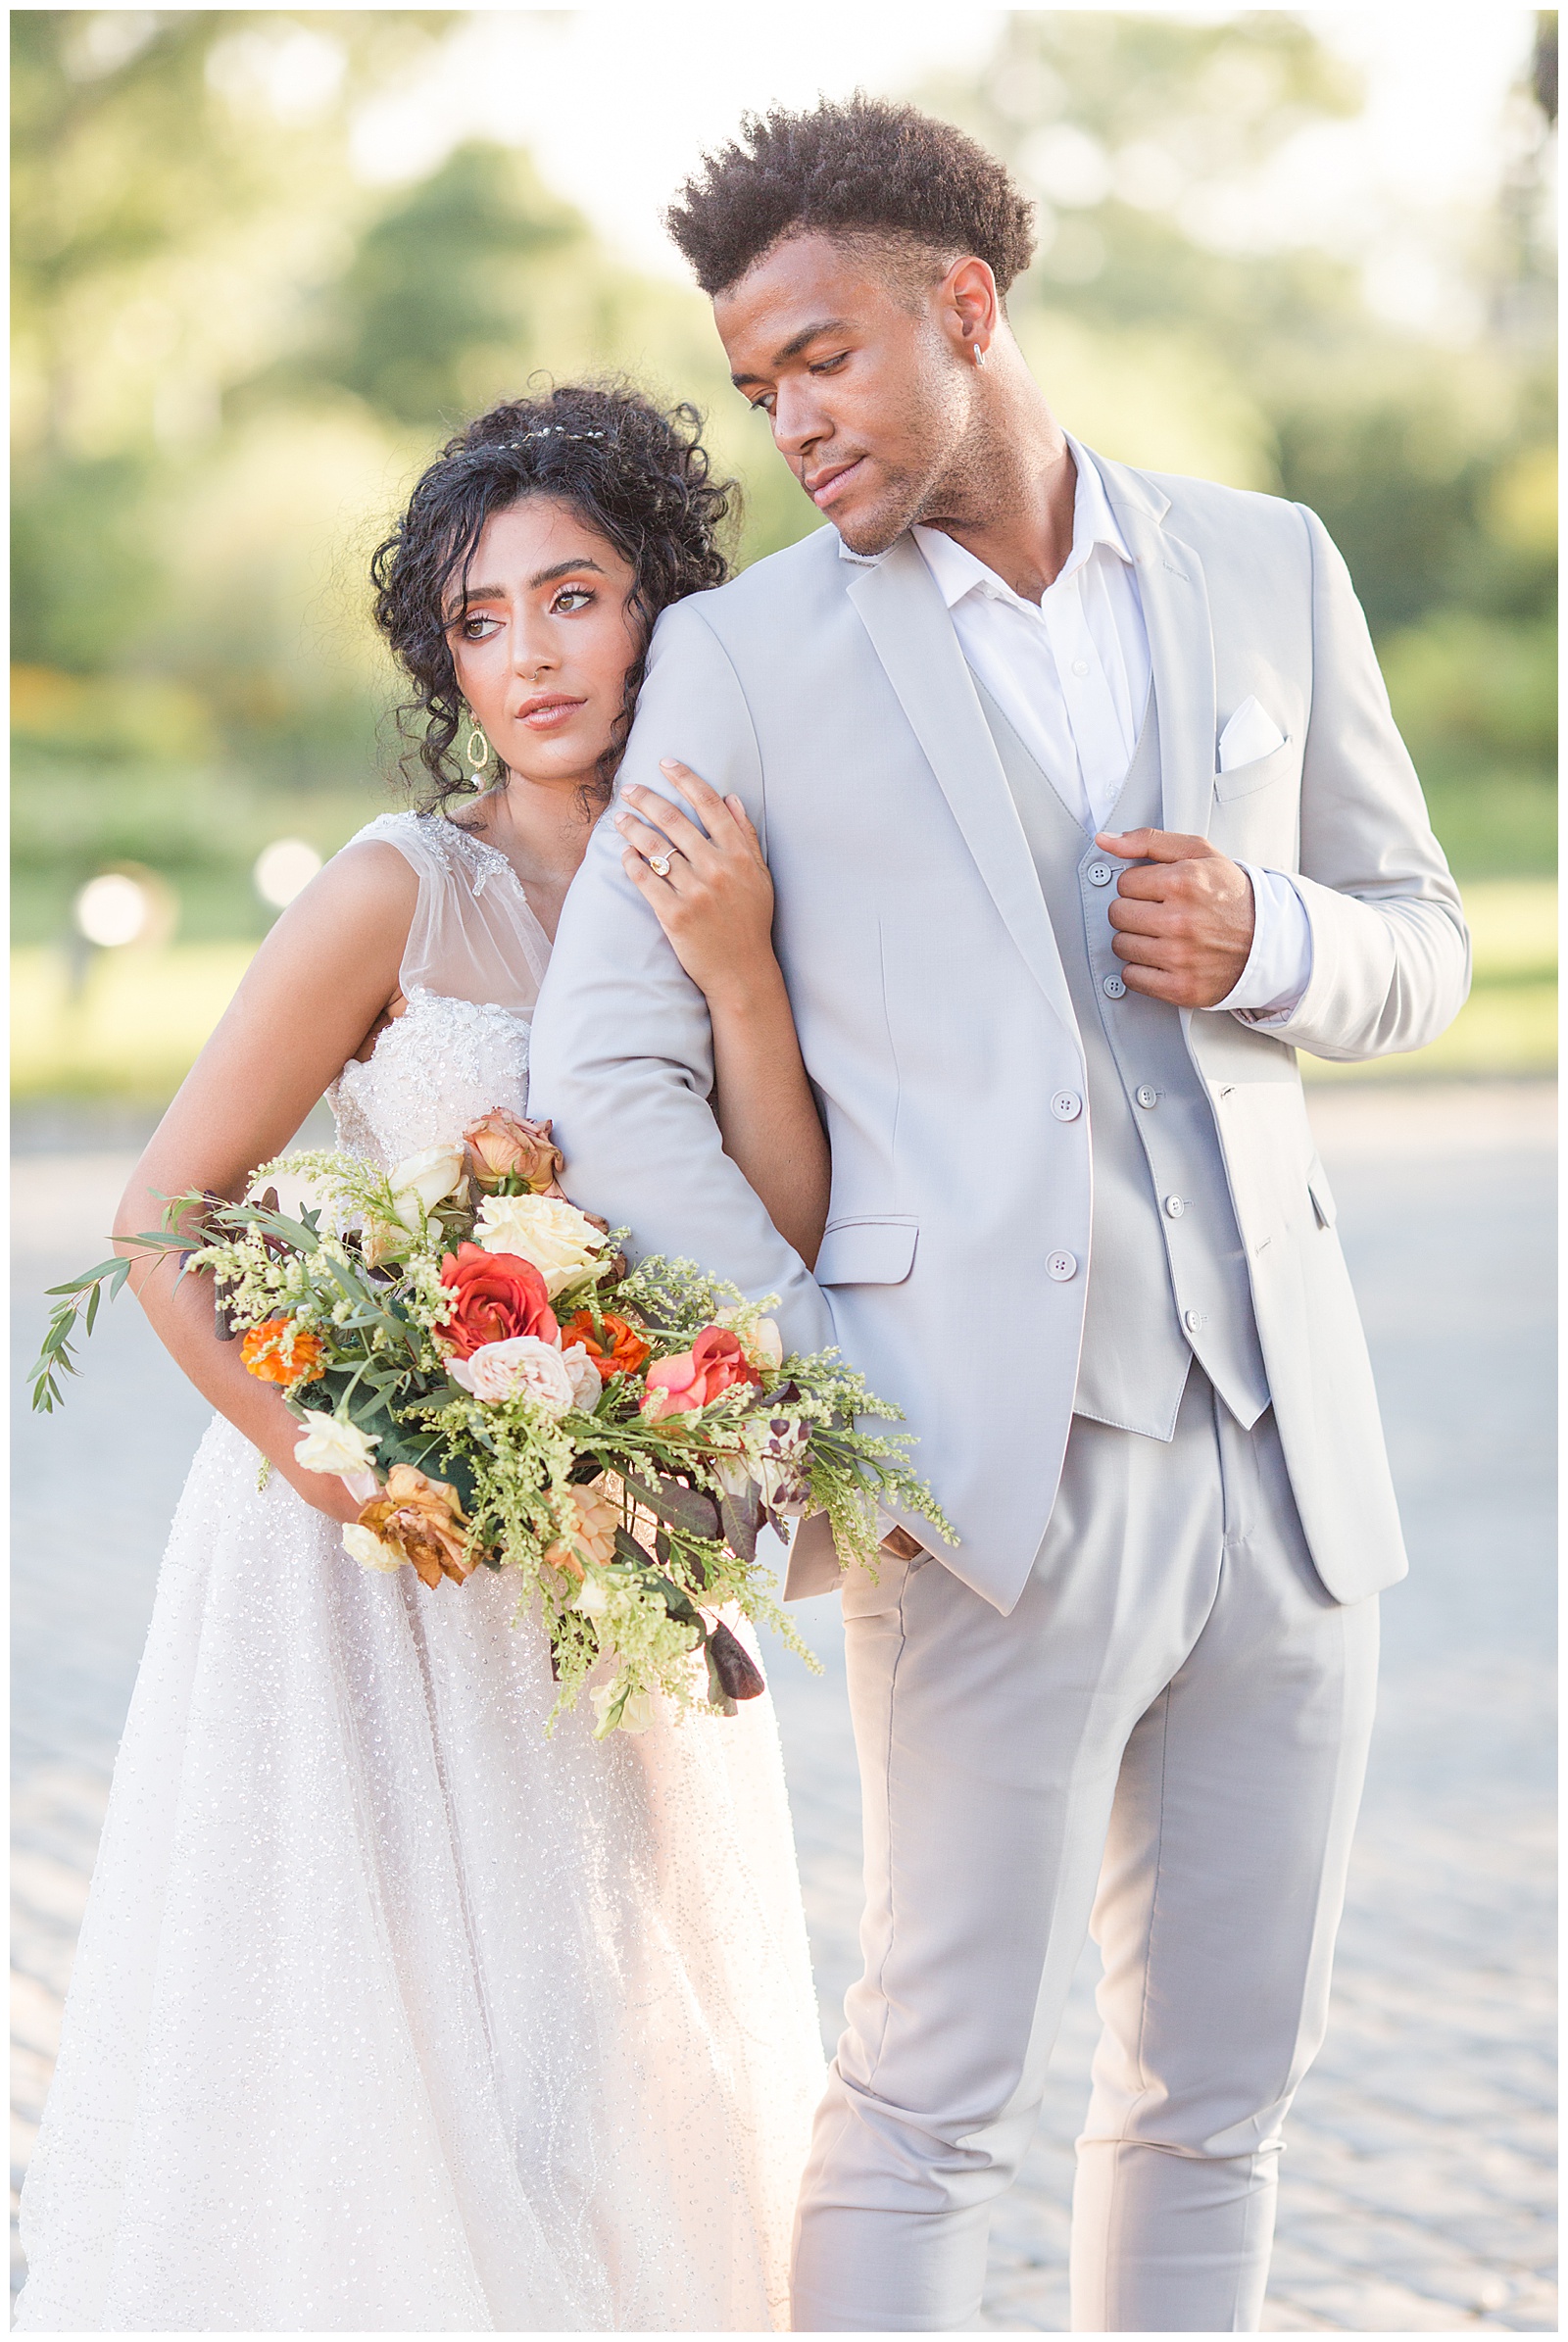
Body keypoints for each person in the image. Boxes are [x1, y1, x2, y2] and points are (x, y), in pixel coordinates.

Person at [526, 99, 1472, 2335]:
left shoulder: (1268, 565)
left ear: (965, 307)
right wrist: (827, 1374)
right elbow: (604, 1064)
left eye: (817, 361)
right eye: (756, 389)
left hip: (1283, 1466)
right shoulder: (749, 657)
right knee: (933, 2090)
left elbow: (1416, 935)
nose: (787, 425)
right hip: (976, 1471)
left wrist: (1263, 940)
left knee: (1220, 2092)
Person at [15, 383, 829, 2334]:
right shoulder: (395, 885)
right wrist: (320, 1448)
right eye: (483, 617)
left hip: (612, 1546)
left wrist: (733, 968)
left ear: (663, 609)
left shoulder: (723, 871)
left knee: (602, 2052)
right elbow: (162, 1211)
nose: (532, 654)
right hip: (369, 1558)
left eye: (577, 596)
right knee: (380, 2063)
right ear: (439, 653)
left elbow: (784, 1231)